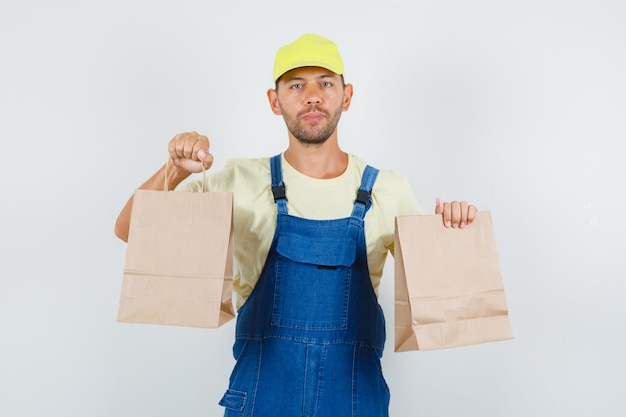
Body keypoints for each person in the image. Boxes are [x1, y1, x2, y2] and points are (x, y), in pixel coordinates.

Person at [115, 33, 477, 417]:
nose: (312, 96)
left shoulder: (389, 190)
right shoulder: (240, 179)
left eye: (325, 83)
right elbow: (131, 231)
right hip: (259, 403)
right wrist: (172, 170)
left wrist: (455, 231)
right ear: (275, 101)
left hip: (355, 405)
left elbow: (443, 296)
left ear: (347, 95)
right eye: (296, 85)